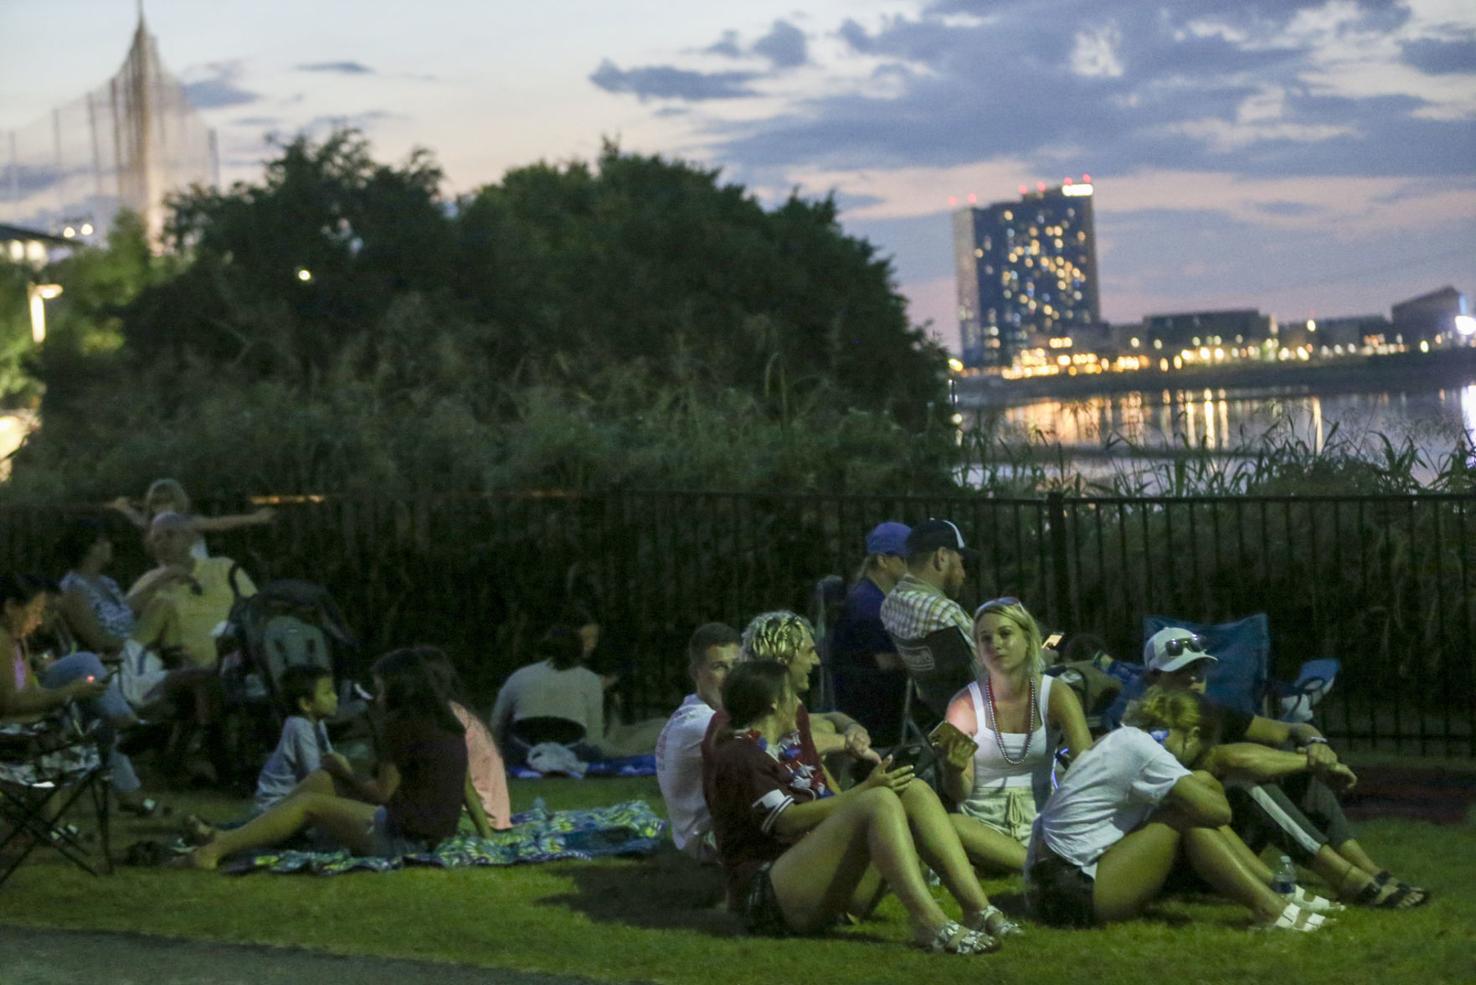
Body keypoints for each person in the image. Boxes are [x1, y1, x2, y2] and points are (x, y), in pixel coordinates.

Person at [703, 659, 1009, 952]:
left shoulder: (784, 747)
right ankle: (929, 923)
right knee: (877, 800)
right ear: (773, 703)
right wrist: (866, 789)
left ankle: (979, 910)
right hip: (768, 898)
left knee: (911, 790)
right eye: (791, 694)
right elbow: (787, 821)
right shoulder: (739, 755)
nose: (797, 702)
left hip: (814, 883)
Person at [1144, 627, 1428, 908]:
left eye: (1199, 667)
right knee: (1245, 783)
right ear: (1153, 676)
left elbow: (1291, 729)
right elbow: (1228, 759)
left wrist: (1316, 743)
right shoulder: (1148, 723)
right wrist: (1312, 762)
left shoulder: (1211, 712)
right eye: (1180, 670)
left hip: (1221, 833)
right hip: (1188, 847)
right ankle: (1346, 879)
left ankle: (1369, 869)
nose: (1193, 677)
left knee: (1291, 758)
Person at [1025, 686, 1332, 931]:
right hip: (1067, 891)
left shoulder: (1122, 740)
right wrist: (1208, 780)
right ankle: (1271, 907)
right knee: (1185, 816)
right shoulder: (1144, 750)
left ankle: (1277, 891)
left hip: (1047, 888)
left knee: (1184, 806)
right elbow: (1219, 814)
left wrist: (1198, 783)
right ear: (1192, 736)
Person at [178, 646, 469, 869]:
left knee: (309, 804)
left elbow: (382, 793)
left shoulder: (402, 725)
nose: (376, 698)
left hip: (407, 841)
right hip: (427, 833)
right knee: (320, 780)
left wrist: (344, 773)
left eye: (380, 690)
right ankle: (230, 837)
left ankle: (212, 851)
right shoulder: (443, 723)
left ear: (402, 689)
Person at [941, 597, 1094, 872]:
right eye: (985, 639)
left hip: (1041, 821)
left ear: (1027, 639)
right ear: (977, 650)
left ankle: (1026, 861)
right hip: (983, 825)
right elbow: (960, 793)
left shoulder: (1055, 693)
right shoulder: (963, 704)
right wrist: (953, 770)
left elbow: (1087, 765)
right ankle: (1038, 867)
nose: (995, 644)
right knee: (952, 824)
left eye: (1005, 634)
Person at [0, 574, 156, 815]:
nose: (40, 621)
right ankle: (129, 728)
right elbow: (10, 704)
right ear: (11, 607)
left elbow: (29, 692)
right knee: (85, 676)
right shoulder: (2, 642)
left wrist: (75, 692)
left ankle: (126, 730)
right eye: (35, 611)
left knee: (100, 721)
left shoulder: (16, 640)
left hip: (29, 726)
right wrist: (71, 691)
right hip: (12, 740)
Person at [655, 622, 742, 860]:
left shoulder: (698, 710)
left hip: (702, 833)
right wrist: (843, 741)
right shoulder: (701, 722)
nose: (732, 676)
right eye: (719, 667)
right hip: (706, 842)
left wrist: (844, 725)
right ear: (696, 673)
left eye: (736, 665)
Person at [879, 518, 980, 716]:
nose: (964, 574)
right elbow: (993, 669)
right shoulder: (943, 611)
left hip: (939, 712)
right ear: (941, 557)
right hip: (985, 714)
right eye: (961, 562)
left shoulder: (889, 605)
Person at [828, 522, 911, 744]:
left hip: (871, 704)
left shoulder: (870, 598)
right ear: (883, 560)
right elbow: (886, 660)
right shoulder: (869, 605)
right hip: (872, 709)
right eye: (906, 559)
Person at [488, 626, 608, 765]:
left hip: (523, 751)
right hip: (570, 751)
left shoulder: (519, 675)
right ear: (579, 650)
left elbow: (497, 723)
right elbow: (594, 737)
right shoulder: (590, 679)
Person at [424, 648, 510, 834]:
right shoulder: (459, 712)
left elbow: (463, 783)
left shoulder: (445, 718)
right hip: (493, 816)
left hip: (475, 819)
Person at [110, 478, 274, 560]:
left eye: (167, 501)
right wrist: (124, 508)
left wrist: (255, 518)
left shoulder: (188, 523)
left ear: (177, 501)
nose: (161, 507)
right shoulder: (155, 527)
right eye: (156, 503)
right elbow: (139, 520)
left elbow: (221, 523)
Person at [252, 665, 339, 814]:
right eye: (327, 693)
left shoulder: (318, 723)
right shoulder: (299, 726)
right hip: (275, 803)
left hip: (293, 797)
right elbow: (315, 774)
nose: (335, 697)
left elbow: (330, 758)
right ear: (306, 704)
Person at [56, 517, 135, 657]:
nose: (109, 545)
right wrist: (136, 642)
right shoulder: (73, 590)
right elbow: (98, 641)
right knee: (162, 605)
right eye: (103, 541)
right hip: (117, 660)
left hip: (139, 650)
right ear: (89, 547)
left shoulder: (109, 584)